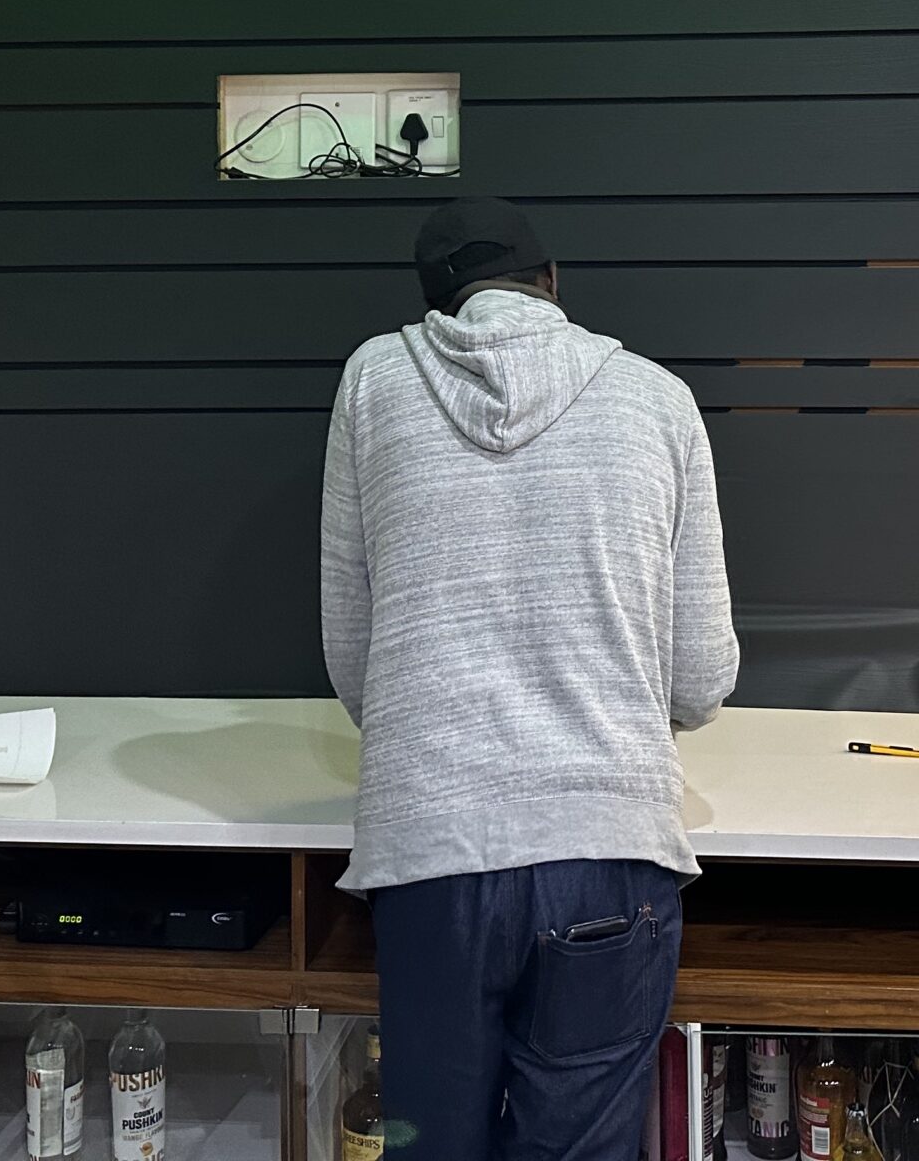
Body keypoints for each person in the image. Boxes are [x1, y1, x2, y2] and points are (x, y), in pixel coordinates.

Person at [320, 195, 739, 1161]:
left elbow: (354, 659)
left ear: (438, 306)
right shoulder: (658, 399)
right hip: (608, 850)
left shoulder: (374, 384)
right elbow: (700, 680)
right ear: (552, 284)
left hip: (430, 856)